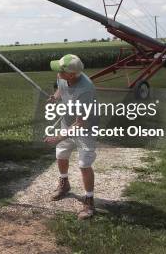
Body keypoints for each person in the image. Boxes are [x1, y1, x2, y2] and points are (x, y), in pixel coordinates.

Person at [44, 54, 98, 220]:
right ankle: (64, 184)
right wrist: (56, 97)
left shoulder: (86, 90)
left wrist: (57, 138)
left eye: (61, 70)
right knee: (61, 155)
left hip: (84, 128)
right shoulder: (63, 76)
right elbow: (61, 87)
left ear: (72, 74)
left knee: (84, 164)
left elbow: (80, 124)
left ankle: (89, 200)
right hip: (67, 123)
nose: (58, 72)